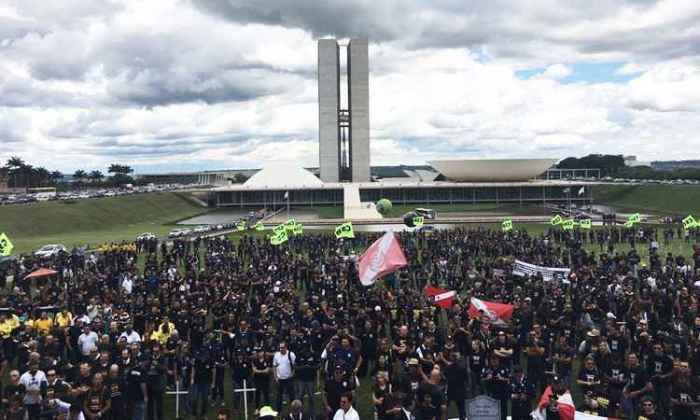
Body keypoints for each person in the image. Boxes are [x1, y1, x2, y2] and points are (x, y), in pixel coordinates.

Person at [273, 341, 296, 410]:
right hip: (280, 379)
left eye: (282, 348)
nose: (281, 349)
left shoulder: (291, 355)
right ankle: (278, 410)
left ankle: (293, 409)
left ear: (286, 347)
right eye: (280, 348)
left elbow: (295, 366)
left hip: (289, 378)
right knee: (279, 396)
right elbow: (274, 366)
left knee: (291, 395)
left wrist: (292, 374)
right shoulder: (276, 355)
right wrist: (275, 377)